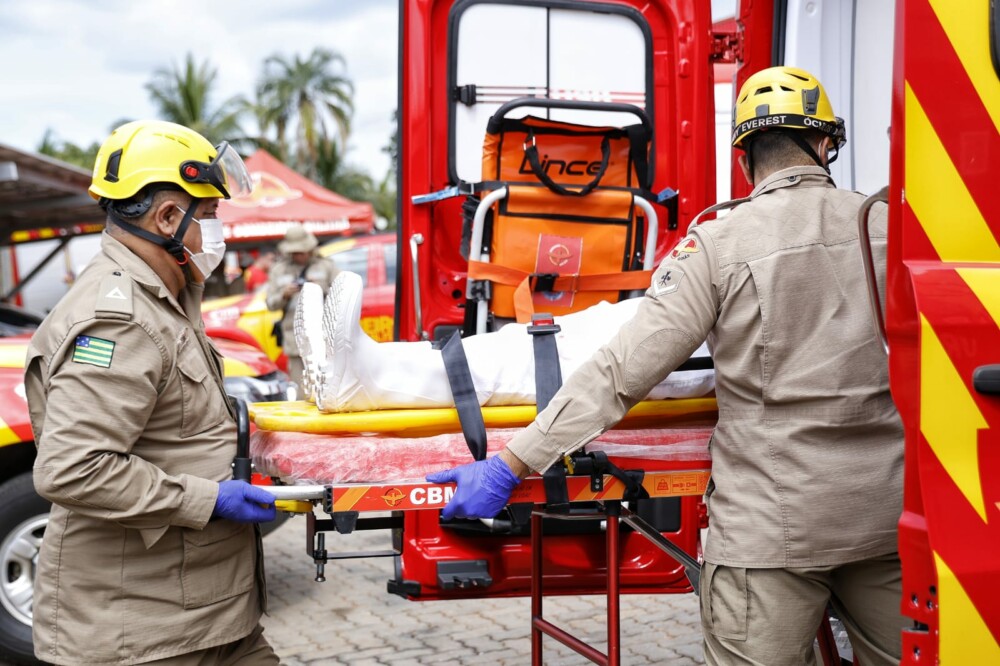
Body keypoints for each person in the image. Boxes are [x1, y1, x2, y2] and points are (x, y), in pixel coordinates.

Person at [428, 66, 907, 666]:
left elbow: (621, 371)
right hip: (885, 522)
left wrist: (509, 464)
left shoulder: (719, 245)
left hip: (771, 532)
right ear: (823, 143)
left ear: (744, 157)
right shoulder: (890, 226)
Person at [25, 120, 279, 666]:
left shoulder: (165, 298)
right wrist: (209, 499)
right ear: (168, 218)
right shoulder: (120, 320)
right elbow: (72, 467)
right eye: (209, 215)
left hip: (204, 614)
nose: (218, 232)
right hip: (144, 634)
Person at [297, 273, 715, 413]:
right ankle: (355, 369)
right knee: (537, 341)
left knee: (543, 362)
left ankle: (367, 382)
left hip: (714, 346)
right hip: (705, 318)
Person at [265, 224, 339, 388]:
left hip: (325, 336)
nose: (298, 256)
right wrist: (285, 294)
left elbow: (340, 296)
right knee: (302, 390)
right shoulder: (279, 270)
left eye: (301, 252)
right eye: (294, 253)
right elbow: (270, 304)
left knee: (328, 386)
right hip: (295, 340)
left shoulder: (326, 266)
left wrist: (319, 289)